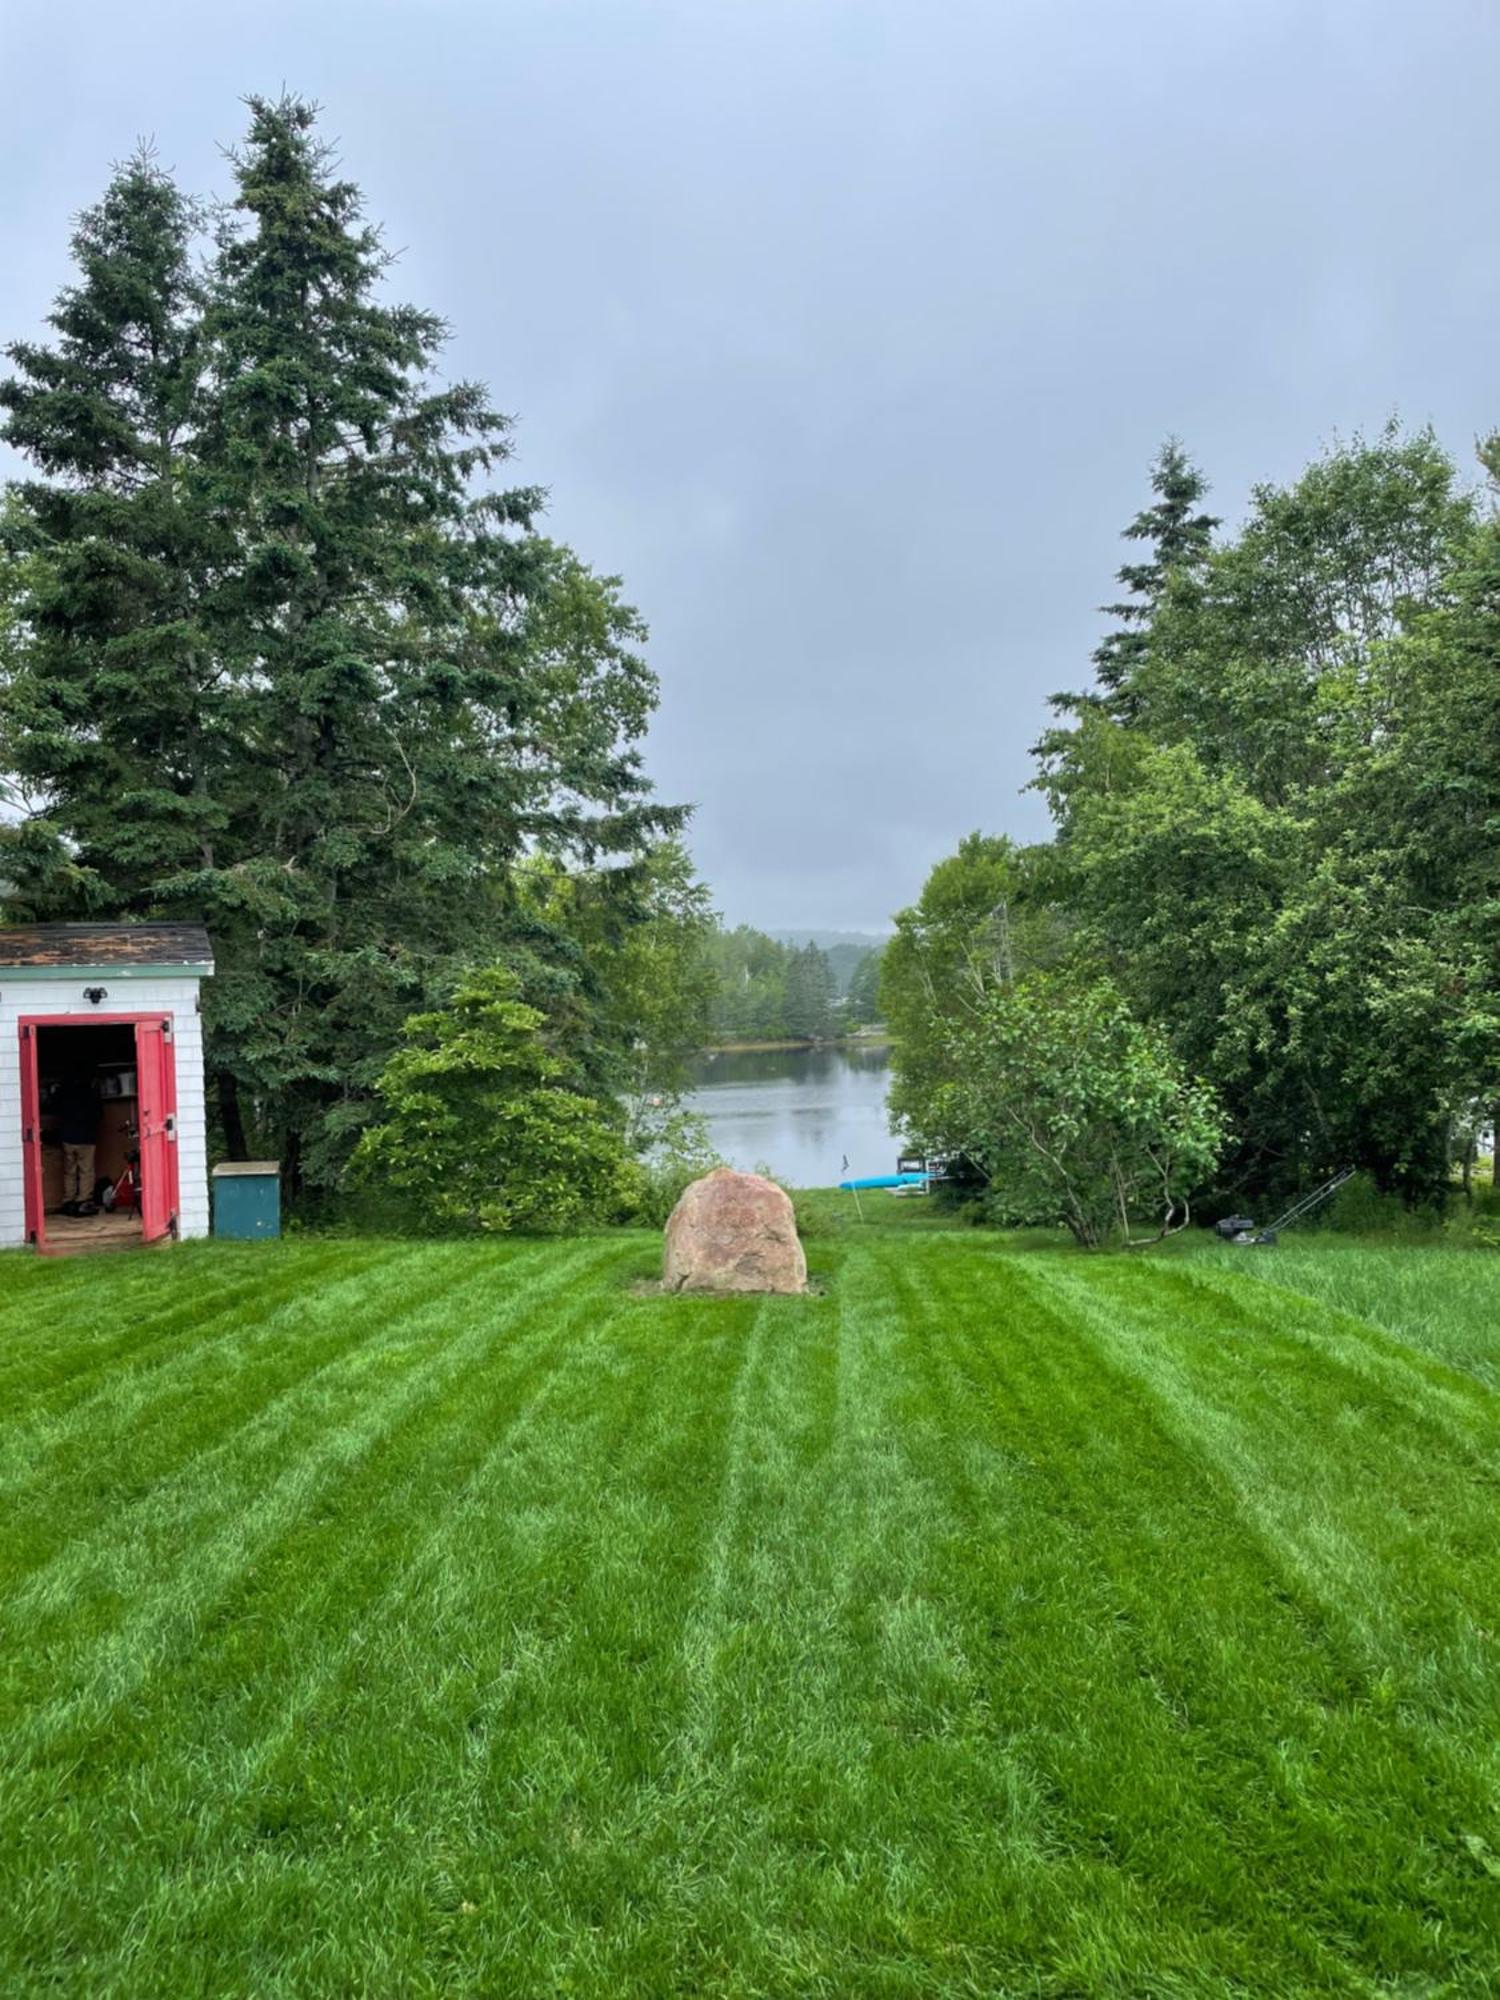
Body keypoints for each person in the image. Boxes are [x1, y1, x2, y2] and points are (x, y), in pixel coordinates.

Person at [56, 1070, 99, 1210]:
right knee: (86, 1170)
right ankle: (83, 1200)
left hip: (68, 1137)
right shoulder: (91, 1093)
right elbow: (99, 1114)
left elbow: (55, 1109)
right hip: (86, 1137)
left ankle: (69, 1199)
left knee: (70, 1171)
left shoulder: (63, 1092)